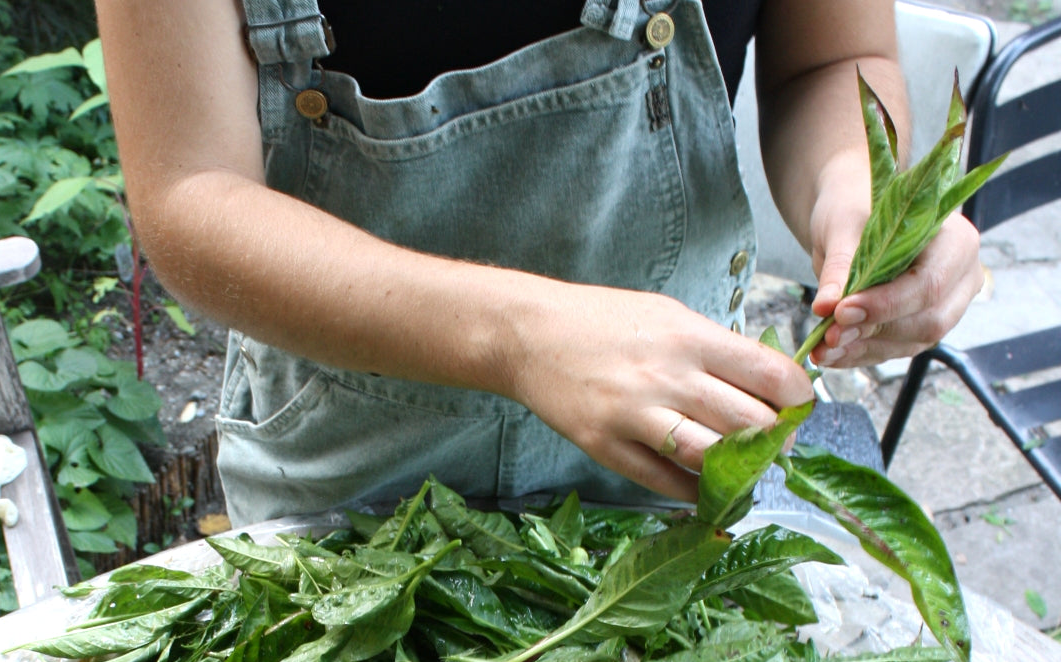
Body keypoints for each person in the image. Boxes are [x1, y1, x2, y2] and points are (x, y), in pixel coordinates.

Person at [94, 0, 986, 525]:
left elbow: (833, 57)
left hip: (683, 463)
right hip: (350, 495)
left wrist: (861, 197)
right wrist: (518, 336)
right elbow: (190, 194)